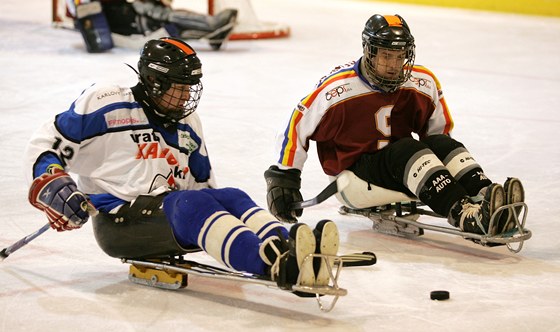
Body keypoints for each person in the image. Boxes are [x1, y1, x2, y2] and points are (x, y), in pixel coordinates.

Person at [24, 37, 339, 293]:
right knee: (189, 202)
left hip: (165, 215)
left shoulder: (188, 122)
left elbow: (205, 187)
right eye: (179, 87)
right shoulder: (105, 103)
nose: (187, 96)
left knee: (231, 196)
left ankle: (288, 247)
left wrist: (222, 218)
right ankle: (271, 264)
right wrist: (53, 183)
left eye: (191, 86)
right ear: (152, 81)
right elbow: (47, 144)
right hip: (119, 226)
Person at [264, 14, 525, 237]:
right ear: (370, 51)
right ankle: (464, 215)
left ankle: (486, 197)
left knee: (442, 144)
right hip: (353, 177)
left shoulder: (423, 81)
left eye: (399, 56)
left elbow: (439, 133)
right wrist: (283, 178)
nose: (393, 65)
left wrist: (448, 173)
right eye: (386, 56)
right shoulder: (337, 89)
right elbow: (296, 125)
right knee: (407, 149)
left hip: (404, 167)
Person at [70, 0, 238, 51]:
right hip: (129, 25)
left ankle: (212, 30)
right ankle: (212, 26)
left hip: (129, 17)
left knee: (166, 15)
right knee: (166, 18)